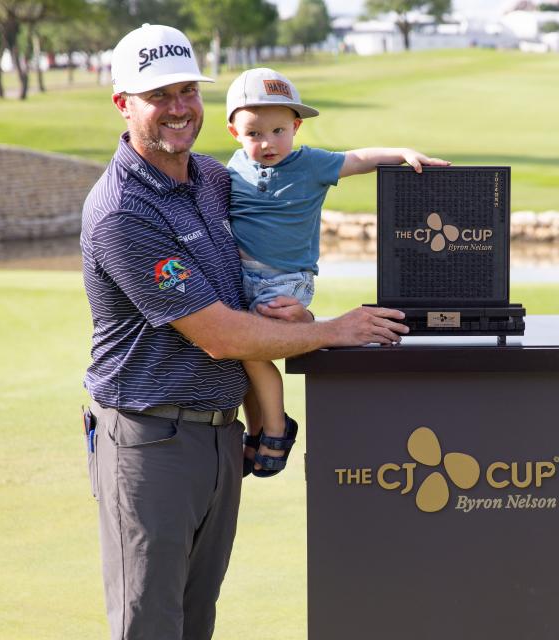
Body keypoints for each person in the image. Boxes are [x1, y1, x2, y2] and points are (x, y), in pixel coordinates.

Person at [80, 24, 408, 639]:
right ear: (124, 104)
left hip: (219, 436)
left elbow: (255, 284)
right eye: (160, 96)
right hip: (149, 442)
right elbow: (221, 335)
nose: (179, 108)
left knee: (197, 619)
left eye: (187, 91)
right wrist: (336, 331)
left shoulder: (210, 179)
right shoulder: (123, 210)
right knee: (151, 624)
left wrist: (301, 318)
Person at [222, 67, 449, 476]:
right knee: (242, 355)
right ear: (235, 132)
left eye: (278, 131)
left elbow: (359, 159)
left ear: (295, 127)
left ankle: (277, 427)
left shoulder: (312, 165)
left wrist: (400, 154)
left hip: (286, 278)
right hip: (241, 276)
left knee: (250, 347)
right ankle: (257, 430)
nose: (268, 143)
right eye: (254, 134)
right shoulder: (232, 169)